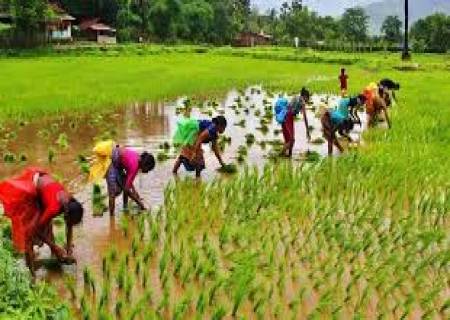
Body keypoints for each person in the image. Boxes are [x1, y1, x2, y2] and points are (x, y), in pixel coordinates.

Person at [0, 167, 84, 276]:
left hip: (45, 191)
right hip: (33, 187)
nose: (69, 223)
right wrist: (54, 246)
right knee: (29, 233)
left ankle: (56, 256)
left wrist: (68, 248)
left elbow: (69, 225)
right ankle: (31, 273)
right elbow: (36, 229)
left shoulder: (70, 202)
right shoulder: (54, 208)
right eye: (69, 220)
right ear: (66, 213)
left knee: (48, 225)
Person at [89, 140, 155, 215]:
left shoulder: (137, 160)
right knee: (112, 193)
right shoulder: (135, 165)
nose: (147, 172)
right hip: (111, 161)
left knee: (122, 187)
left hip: (117, 162)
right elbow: (126, 189)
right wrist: (139, 203)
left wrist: (134, 191)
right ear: (145, 165)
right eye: (148, 169)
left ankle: (125, 208)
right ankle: (112, 218)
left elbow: (128, 184)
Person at [275, 88, 311, 157]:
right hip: (288, 117)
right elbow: (305, 117)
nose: (307, 100)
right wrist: (307, 131)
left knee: (288, 139)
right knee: (292, 140)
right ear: (305, 96)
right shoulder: (302, 101)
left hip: (284, 115)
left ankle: (289, 155)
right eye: (308, 98)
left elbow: (290, 107)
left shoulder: (295, 97)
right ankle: (280, 155)